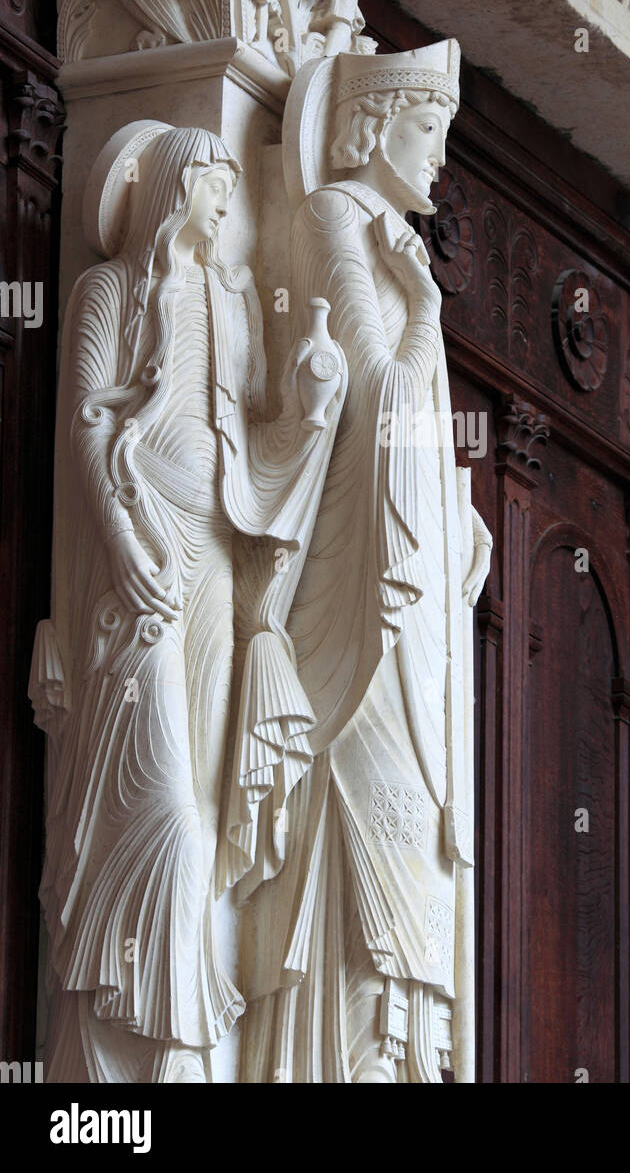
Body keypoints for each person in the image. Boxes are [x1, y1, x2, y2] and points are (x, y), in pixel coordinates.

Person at [31, 121, 346, 1081]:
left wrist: (309, 402)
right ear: (175, 187)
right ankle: (120, 1036)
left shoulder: (231, 300)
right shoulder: (110, 290)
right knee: (153, 796)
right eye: (214, 184)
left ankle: (180, 1054)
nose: (227, 203)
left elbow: (250, 446)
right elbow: (89, 423)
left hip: (213, 559)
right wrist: (124, 544)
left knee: (204, 811)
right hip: (141, 551)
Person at [240, 41, 491, 1082]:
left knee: (426, 829)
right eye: (426, 131)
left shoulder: (392, 236)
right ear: (369, 123)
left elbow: (411, 422)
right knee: (363, 798)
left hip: (417, 567)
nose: (438, 159)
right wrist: (426, 316)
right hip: (360, 576)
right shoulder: (335, 215)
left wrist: (452, 507)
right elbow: (374, 391)